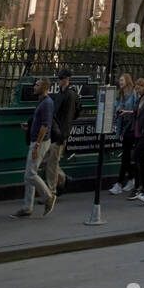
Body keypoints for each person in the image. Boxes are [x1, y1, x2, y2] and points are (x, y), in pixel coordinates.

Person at [13, 76, 55, 218]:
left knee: (30, 174)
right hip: (36, 141)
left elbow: (45, 125)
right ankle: (27, 207)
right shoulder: (42, 101)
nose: (34, 87)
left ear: (44, 87)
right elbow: (40, 123)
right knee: (28, 175)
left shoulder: (47, 103)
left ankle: (48, 196)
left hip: (40, 143)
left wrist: (37, 144)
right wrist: (30, 126)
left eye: (37, 85)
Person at [47, 67, 82, 196]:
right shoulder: (61, 94)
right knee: (48, 162)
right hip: (55, 131)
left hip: (61, 133)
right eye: (58, 78)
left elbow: (76, 111)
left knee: (52, 163)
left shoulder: (70, 95)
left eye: (61, 78)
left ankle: (51, 192)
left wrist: (66, 127)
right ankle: (63, 178)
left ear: (67, 80)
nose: (58, 80)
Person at [111, 72, 138, 194]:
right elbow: (118, 107)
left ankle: (120, 183)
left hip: (132, 129)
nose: (120, 82)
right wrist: (118, 109)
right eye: (120, 80)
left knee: (127, 156)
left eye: (122, 80)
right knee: (126, 157)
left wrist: (126, 111)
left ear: (127, 81)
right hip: (124, 129)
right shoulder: (121, 95)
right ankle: (130, 179)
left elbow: (137, 111)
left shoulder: (133, 94)